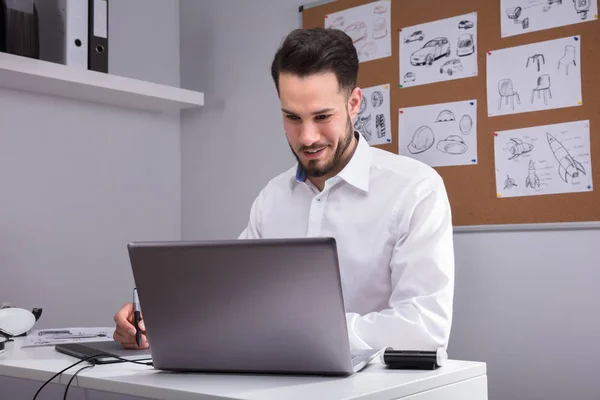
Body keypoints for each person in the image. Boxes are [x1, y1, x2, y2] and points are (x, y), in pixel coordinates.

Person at [114, 27, 454, 352]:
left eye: (322, 117)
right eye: (292, 117)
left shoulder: (415, 190)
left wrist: (306, 331)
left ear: (353, 104)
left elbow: (424, 327)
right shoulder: (272, 199)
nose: (307, 137)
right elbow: (229, 295)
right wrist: (156, 320)